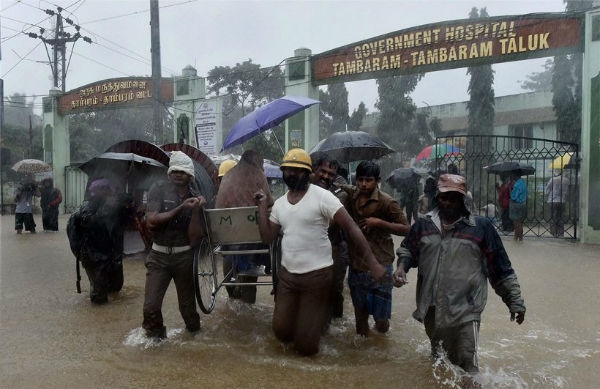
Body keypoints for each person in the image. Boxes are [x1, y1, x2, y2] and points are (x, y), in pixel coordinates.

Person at [253, 148, 386, 356]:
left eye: (298, 170)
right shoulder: (279, 204)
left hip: (316, 277)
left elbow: (351, 228)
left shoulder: (323, 197)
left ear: (308, 173)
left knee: (306, 347)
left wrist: (373, 262)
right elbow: (268, 237)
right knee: (281, 333)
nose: (292, 174)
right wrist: (261, 207)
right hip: (288, 277)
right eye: (288, 170)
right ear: (283, 173)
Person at [393, 173, 526, 377]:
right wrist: (401, 268)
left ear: (463, 200)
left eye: (453, 198)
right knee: (439, 361)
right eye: (444, 198)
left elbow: (500, 268)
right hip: (432, 307)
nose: (448, 203)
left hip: (467, 309)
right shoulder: (423, 225)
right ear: (437, 198)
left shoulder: (480, 228)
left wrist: (515, 301)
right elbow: (408, 250)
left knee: (468, 365)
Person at [340, 161, 409, 336]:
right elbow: (342, 187)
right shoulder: (351, 196)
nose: (363, 184)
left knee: (381, 320)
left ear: (377, 180)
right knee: (360, 317)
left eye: (368, 180)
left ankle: (380, 346)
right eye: (360, 179)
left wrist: (379, 223)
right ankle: (364, 356)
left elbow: (407, 229)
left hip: (381, 263)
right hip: (356, 265)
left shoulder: (387, 202)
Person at [142, 151, 207, 340]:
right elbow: (151, 221)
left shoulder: (195, 196)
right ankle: (156, 343)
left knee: (187, 310)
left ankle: (194, 340)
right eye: (175, 171)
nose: (178, 174)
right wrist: (181, 208)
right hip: (158, 256)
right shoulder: (158, 189)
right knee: (151, 307)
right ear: (169, 173)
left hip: (184, 258)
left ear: (190, 176)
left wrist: (195, 210)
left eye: (183, 171)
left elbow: (195, 239)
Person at [215, 150, 274, 304]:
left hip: (228, 239)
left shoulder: (228, 176)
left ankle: (235, 298)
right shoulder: (258, 175)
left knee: (234, 294)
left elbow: (217, 212)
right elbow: (270, 202)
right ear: (257, 162)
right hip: (251, 238)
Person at [67, 178, 135, 304]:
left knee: (116, 288)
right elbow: (90, 223)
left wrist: (129, 208)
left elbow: (127, 224)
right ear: (95, 191)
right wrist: (107, 208)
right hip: (93, 255)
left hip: (113, 253)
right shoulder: (87, 206)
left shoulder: (116, 204)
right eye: (103, 189)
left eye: (108, 189)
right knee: (99, 296)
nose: (107, 192)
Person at [310, 155, 349, 320]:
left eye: (331, 174)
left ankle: (337, 325)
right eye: (323, 172)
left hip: (335, 248)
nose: (326, 177)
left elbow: (329, 222)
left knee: (334, 289)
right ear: (315, 170)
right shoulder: (304, 189)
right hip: (310, 249)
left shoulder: (340, 194)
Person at [545, 170, 570, 237]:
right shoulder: (566, 180)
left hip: (552, 201)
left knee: (553, 217)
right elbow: (567, 192)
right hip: (562, 201)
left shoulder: (553, 179)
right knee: (561, 217)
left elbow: (546, 191)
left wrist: (547, 186)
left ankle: (554, 233)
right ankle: (561, 233)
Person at [509, 170, 528, 242]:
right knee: (520, 223)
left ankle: (516, 239)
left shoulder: (517, 185)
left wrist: (511, 189)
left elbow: (513, 197)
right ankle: (520, 239)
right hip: (523, 204)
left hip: (516, 205)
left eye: (512, 175)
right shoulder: (523, 183)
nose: (512, 177)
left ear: (515, 176)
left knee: (516, 223)